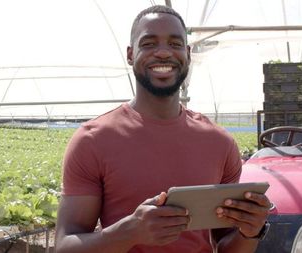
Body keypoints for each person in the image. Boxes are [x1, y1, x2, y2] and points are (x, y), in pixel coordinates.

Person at [55, 5, 270, 253]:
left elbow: (225, 246)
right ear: (130, 54)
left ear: (187, 54)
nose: (163, 53)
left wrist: (250, 231)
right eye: (148, 43)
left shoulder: (220, 143)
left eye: (175, 44)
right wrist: (130, 231)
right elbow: (65, 246)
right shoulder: (92, 140)